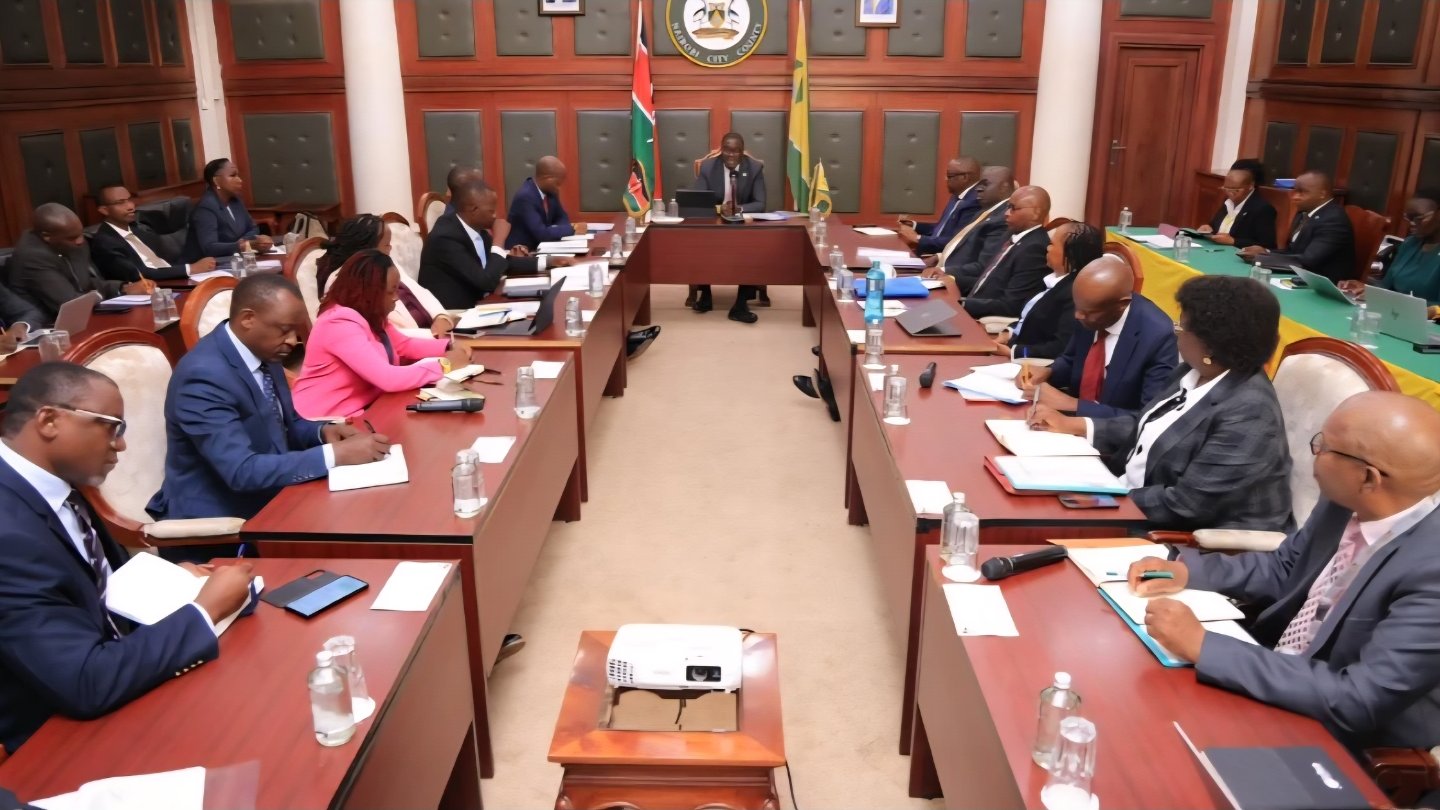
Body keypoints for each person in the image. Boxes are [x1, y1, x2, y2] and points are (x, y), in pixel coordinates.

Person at [1131, 390, 1440, 753]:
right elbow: (1285, 568)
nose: (1314, 453)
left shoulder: (1430, 568)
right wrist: (1184, 571)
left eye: (1324, 447)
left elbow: (1359, 699)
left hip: (1345, 736)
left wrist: (1205, 647)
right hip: (1274, 670)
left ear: (1369, 478)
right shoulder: (1347, 500)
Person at [0, 362, 256, 754]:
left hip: (124, 677)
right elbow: (84, 680)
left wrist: (170, 576)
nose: (120, 445)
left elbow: (100, 582)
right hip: (61, 742)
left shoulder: (53, 482)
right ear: (50, 421)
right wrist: (205, 610)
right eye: (111, 426)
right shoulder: (8, 534)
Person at [147, 275, 391, 558]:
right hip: (222, 527)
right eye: (285, 330)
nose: (293, 342)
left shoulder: (262, 351)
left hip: (275, 497)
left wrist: (323, 433)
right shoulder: (203, 378)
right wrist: (334, 455)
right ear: (248, 319)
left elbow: (286, 427)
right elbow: (241, 471)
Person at [1029, 275, 1292, 532]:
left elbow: (1187, 505)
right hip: (1127, 496)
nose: (1175, 333)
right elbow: (1147, 424)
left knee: (1031, 523)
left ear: (1210, 345)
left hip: (1191, 543)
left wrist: (1104, 498)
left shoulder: (1250, 412)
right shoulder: (1192, 372)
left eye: (1181, 326)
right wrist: (1075, 425)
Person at [294, 250, 472, 419]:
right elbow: (388, 378)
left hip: (368, 408)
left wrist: (447, 346)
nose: (396, 297)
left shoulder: (370, 314)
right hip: (326, 420)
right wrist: (445, 365)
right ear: (369, 291)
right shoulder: (339, 323)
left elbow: (404, 346)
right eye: (391, 291)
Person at [1019, 255, 1177, 418]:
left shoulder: (1157, 336)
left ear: (1121, 304)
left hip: (1110, 436)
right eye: (1077, 306)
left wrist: (1073, 405)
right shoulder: (1088, 311)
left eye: (1088, 312)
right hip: (1062, 421)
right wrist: (1048, 372)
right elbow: (1072, 360)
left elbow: (1149, 417)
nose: (1077, 315)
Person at [418, 181, 557, 310]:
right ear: (474, 210)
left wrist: (548, 262)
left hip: (482, 302)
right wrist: (499, 240)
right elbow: (486, 281)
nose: (495, 216)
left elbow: (499, 262)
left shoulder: (475, 227)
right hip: (457, 315)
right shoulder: (446, 237)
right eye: (491, 211)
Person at [5, 203, 153, 324]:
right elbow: (70, 303)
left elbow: (85, 284)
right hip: (49, 329)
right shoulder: (32, 257)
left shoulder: (69, 242)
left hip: (83, 318)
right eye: (72, 238)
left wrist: (123, 288)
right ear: (47, 237)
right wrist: (118, 293)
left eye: (81, 234)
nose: (80, 241)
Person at [316, 214, 456, 339]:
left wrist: (440, 317)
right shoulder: (344, 280)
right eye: (387, 244)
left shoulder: (384, 263)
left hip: (431, 334)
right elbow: (380, 331)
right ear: (367, 249)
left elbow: (420, 292)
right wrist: (432, 335)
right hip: (404, 347)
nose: (391, 249)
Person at [691, 132, 768, 323]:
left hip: (743, 225)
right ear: (721, 150)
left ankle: (741, 304)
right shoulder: (708, 167)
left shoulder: (754, 168)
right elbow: (698, 201)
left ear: (742, 153)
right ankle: (705, 295)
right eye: (727, 150)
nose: (731, 155)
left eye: (736, 151)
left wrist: (738, 208)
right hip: (715, 223)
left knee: (751, 248)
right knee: (698, 241)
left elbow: (760, 203)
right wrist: (720, 208)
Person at [1000, 221, 1104, 360]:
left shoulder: (1076, 293)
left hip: (1031, 365)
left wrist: (1014, 352)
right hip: (1012, 347)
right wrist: (1009, 333)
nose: (1047, 248)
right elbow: (1028, 317)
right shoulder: (1051, 278)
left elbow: (1060, 347)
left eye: (1052, 244)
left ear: (1070, 254)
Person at [1239, 170, 1356, 282]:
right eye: (1295, 191)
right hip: (1300, 276)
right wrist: (1265, 252)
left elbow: (1308, 260)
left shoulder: (1333, 220)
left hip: (1323, 284)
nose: (1294, 197)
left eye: (1302, 192)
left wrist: (1261, 258)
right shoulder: (1304, 212)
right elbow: (1293, 251)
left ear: (1322, 194)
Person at [89, 184, 217, 282]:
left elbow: (165, 260)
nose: (130, 206)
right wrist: (191, 269)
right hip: (156, 288)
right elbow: (139, 274)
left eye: (129, 200)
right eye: (120, 203)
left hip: (177, 279)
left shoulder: (137, 229)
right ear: (104, 210)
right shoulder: (105, 242)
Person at [961, 185, 1052, 319]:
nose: (1006, 213)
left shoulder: (1034, 248)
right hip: (972, 306)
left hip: (985, 320)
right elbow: (988, 281)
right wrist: (950, 280)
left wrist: (962, 305)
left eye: (1013, 208)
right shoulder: (1013, 236)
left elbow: (1011, 305)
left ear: (1036, 213)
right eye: (1007, 207)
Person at [1340, 189, 1440, 306]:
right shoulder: (1410, 243)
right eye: (1409, 218)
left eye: (1419, 218)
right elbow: (1387, 286)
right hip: (1393, 312)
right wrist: (1366, 288)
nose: (1412, 223)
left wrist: (1392, 300)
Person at [920, 166, 1016, 286]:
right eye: (978, 184)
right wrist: (939, 256)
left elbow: (983, 266)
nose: (978, 189)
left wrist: (944, 271)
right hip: (939, 271)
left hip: (954, 282)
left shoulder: (1003, 220)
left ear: (1004, 187)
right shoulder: (984, 211)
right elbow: (966, 247)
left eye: (985, 184)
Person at [185, 157, 272, 261]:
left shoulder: (236, 200)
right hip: (206, 267)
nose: (240, 180)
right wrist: (243, 246)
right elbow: (209, 248)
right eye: (233, 175)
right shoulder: (206, 208)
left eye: (238, 175)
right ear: (216, 180)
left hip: (235, 259)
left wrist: (248, 242)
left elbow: (253, 228)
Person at [897, 157, 983, 255]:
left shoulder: (975, 202)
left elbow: (957, 241)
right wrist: (914, 225)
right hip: (929, 252)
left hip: (941, 258)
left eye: (949, 176)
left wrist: (917, 238)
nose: (945, 179)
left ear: (964, 177)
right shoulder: (957, 195)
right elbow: (941, 229)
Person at [505, 156, 588, 251]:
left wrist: (560, 229)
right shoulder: (525, 197)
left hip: (543, 248)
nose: (559, 188)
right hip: (523, 254)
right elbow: (542, 234)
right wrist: (573, 229)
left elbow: (562, 217)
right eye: (557, 184)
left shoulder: (550, 192)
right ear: (547, 178)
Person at [1194, 159, 1277, 249]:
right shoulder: (1228, 201)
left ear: (1250, 186)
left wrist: (1234, 241)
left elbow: (1267, 245)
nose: (1230, 193)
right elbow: (1216, 226)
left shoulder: (1263, 209)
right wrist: (1208, 228)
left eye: (1235, 190)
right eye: (1226, 188)